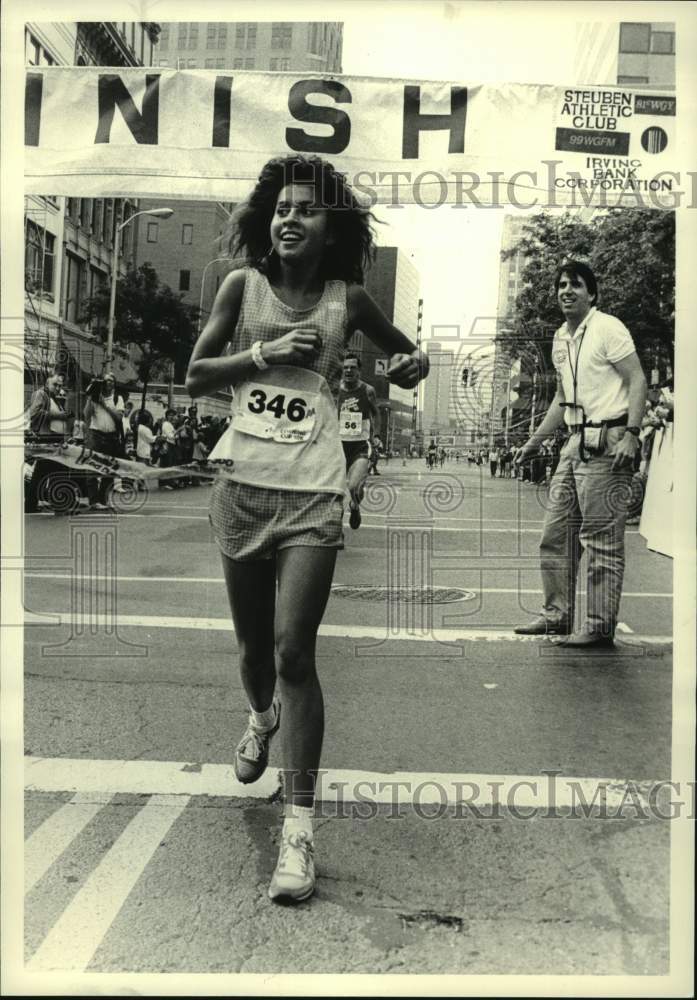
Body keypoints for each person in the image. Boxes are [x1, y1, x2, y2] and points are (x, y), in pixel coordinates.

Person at [185, 154, 428, 903]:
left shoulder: (346, 300)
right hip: (242, 492)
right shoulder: (242, 287)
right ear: (270, 221)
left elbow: (407, 357)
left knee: (295, 650)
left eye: (308, 211)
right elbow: (195, 373)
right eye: (283, 208)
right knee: (256, 652)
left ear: (331, 230)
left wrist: (409, 368)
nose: (291, 218)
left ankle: (299, 831)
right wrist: (261, 352)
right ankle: (259, 719)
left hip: (314, 495)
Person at [513, 260, 647, 647]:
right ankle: (557, 614)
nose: (565, 290)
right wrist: (533, 442)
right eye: (561, 285)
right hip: (574, 443)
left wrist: (632, 435)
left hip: (609, 441)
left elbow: (637, 379)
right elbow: (561, 398)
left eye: (575, 284)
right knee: (555, 534)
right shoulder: (561, 338)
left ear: (592, 293)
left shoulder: (608, 328)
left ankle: (599, 626)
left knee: (601, 538)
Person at [337, 352, 378, 529]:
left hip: (360, 445)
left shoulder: (367, 391)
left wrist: (376, 436)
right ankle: (335, 527)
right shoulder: (335, 388)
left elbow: (375, 413)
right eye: (345, 367)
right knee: (333, 492)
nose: (348, 370)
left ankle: (354, 505)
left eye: (352, 367)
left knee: (354, 487)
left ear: (359, 371)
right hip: (337, 446)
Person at [83, 372, 124, 509]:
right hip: (96, 435)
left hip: (111, 437)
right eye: (106, 381)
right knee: (91, 468)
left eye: (111, 380)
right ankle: (94, 501)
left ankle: (103, 499)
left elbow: (118, 418)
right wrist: (90, 397)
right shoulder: (94, 398)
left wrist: (104, 405)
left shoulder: (117, 398)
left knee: (110, 469)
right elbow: (86, 415)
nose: (108, 383)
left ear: (114, 383)